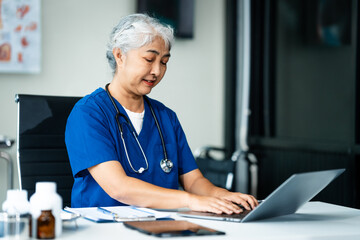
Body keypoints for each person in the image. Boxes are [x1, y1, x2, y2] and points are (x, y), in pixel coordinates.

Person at [65, 13, 258, 214]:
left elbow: (193, 181)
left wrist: (221, 195)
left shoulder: (166, 117)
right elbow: (119, 188)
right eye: (149, 59)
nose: (157, 71)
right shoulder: (88, 113)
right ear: (119, 56)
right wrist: (191, 201)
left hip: (160, 225)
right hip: (105, 227)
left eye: (164, 62)